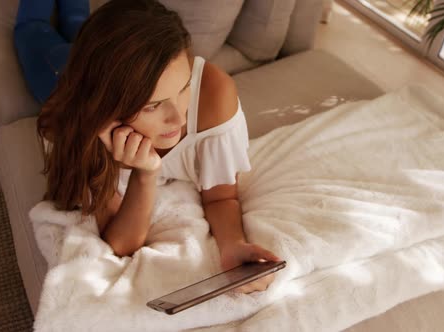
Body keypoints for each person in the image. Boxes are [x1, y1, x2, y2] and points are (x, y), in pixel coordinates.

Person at [15, 0, 282, 294]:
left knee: (77, 21)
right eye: (153, 106)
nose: (179, 118)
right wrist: (146, 174)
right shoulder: (85, 122)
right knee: (31, 30)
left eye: (183, 88)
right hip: (65, 73)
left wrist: (233, 244)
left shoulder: (213, 95)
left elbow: (221, 196)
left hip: (110, 57)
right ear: (108, 110)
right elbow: (120, 244)